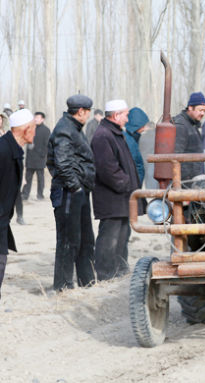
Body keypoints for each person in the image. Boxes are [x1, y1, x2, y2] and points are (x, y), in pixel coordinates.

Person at [47, 95, 96, 291]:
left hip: (79, 191)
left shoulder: (74, 128)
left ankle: (87, 281)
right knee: (68, 239)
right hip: (69, 192)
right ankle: (62, 286)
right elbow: (62, 163)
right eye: (88, 112)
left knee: (85, 238)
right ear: (81, 111)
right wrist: (75, 187)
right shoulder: (64, 130)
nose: (88, 116)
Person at [91, 99, 142, 280]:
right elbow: (107, 169)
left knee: (122, 235)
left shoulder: (114, 133)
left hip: (121, 196)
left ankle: (120, 270)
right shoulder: (103, 136)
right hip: (111, 197)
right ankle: (105, 274)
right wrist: (127, 183)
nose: (127, 119)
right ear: (116, 115)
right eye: (126, 115)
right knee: (109, 238)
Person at [0, 109, 36, 299]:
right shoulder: (3, 150)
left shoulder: (13, 150)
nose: (35, 133)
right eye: (34, 128)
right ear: (26, 129)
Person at [174, 92, 205, 179]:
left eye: (204, 111)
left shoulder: (193, 125)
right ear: (190, 108)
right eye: (200, 110)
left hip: (194, 176)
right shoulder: (180, 125)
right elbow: (176, 155)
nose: (202, 113)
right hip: (186, 180)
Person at [22, 112, 50, 200]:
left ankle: (40, 195)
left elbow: (47, 145)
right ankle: (25, 194)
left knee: (40, 178)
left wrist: (42, 154)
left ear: (42, 119)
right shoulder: (30, 128)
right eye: (35, 117)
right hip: (30, 158)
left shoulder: (46, 130)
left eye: (38, 117)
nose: (36, 119)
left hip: (40, 158)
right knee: (28, 178)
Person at [123, 107, 149, 186]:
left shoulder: (133, 139)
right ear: (135, 126)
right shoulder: (129, 141)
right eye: (142, 126)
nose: (144, 129)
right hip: (132, 185)